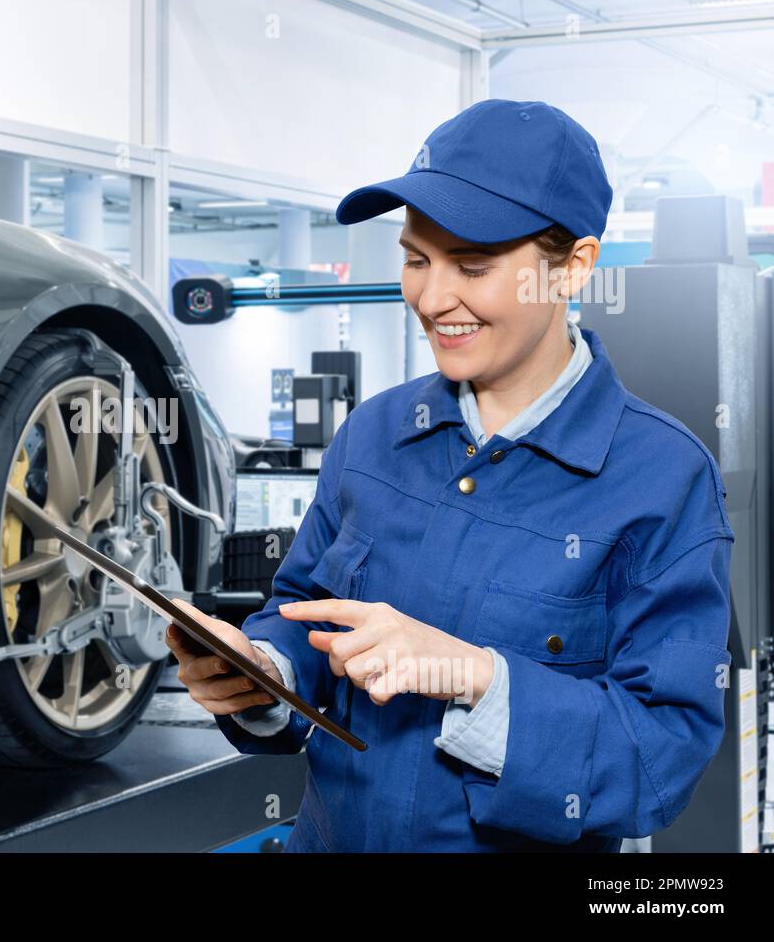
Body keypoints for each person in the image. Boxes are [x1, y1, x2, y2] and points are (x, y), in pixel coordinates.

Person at [165, 99, 735, 852]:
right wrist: (263, 674)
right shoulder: (373, 435)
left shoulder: (662, 479)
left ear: (574, 267)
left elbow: (659, 759)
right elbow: (305, 610)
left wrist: (476, 678)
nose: (432, 299)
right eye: (415, 258)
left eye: (473, 265)